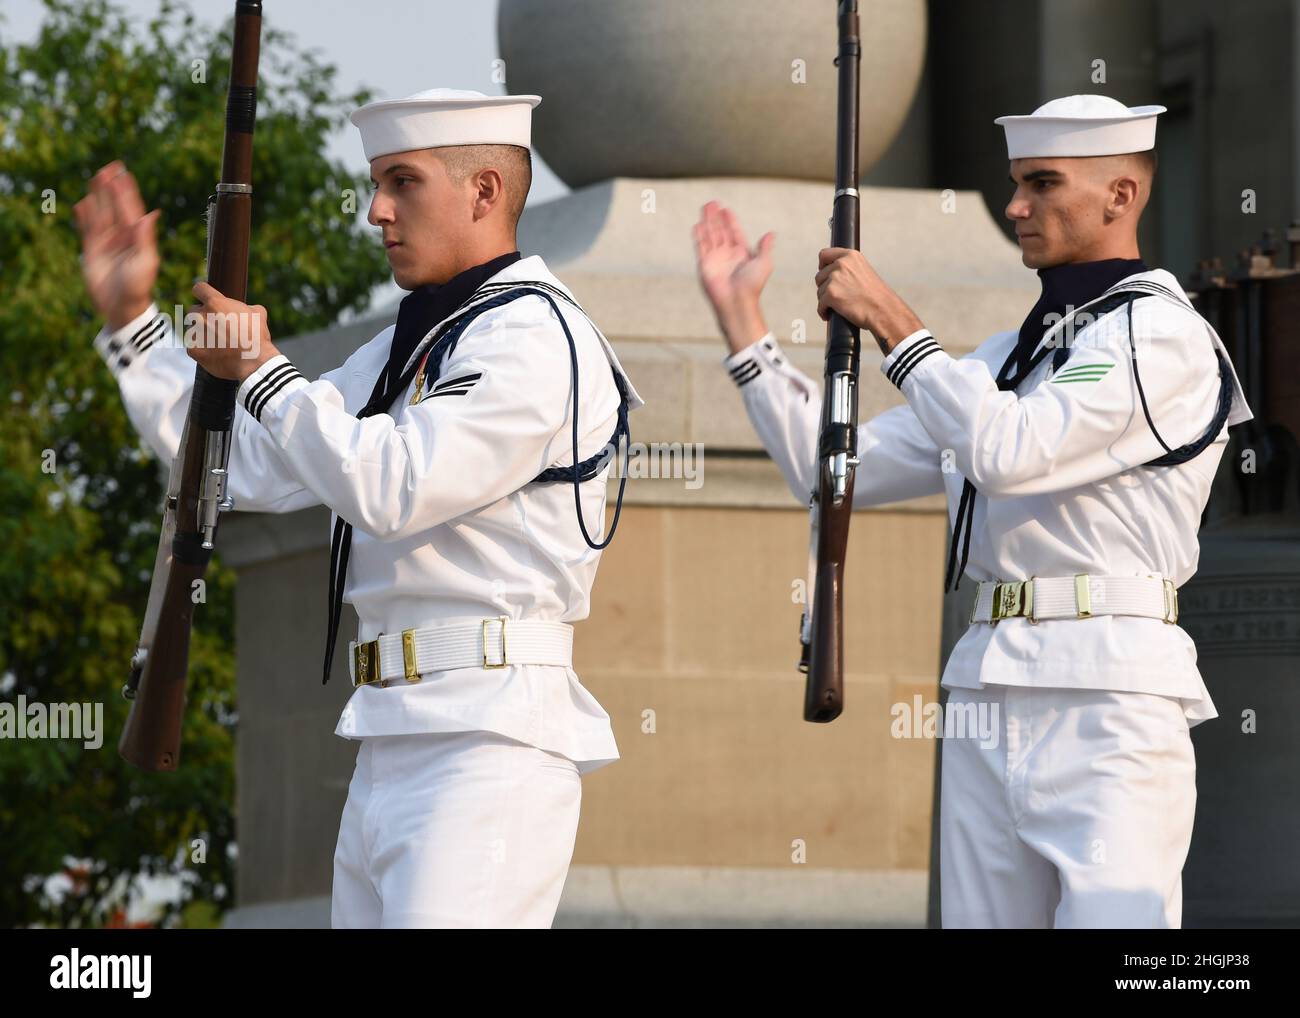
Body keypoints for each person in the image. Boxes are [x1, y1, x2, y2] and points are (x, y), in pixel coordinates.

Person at [76, 87, 644, 928]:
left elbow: (394, 484)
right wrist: (136, 328)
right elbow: (252, 467)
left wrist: (264, 369)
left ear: (485, 191)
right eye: (377, 183)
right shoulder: (411, 338)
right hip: (390, 735)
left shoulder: (536, 338)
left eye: (402, 182)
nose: (376, 210)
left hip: (486, 743)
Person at [692, 94, 1252, 928]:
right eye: (1015, 183)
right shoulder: (1004, 359)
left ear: (1120, 197)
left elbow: (1012, 449)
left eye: (1042, 182)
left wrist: (889, 317)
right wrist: (745, 327)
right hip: (989, 683)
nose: (1016, 206)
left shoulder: (1156, 337)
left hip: (1108, 697)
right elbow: (831, 473)